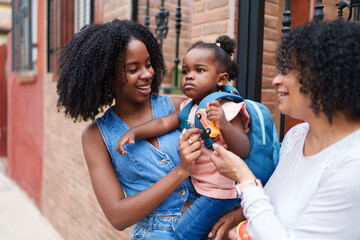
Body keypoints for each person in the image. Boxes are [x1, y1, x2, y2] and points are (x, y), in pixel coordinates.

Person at [56, 19, 207, 239]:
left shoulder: (179, 106)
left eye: (148, 64)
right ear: (107, 75)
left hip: (206, 227)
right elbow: (117, 216)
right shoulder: (97, 136)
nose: (147, 74)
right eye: (133, 69)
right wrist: (181, 171)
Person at [210, 20, 360, 239]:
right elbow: (277, 205)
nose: (275, 80)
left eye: (287, 71)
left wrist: (243, 177)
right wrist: (241, 216)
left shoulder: (353, 163)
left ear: (329, 75)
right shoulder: (296, 137)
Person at [116, 35, 252, 239]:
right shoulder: (188, 107)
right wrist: (134, 132)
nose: (189, 76)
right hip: (205, 189)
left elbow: (243, 149)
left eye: (199, 70)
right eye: (185, 71)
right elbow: (162, 123)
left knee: (183, 231)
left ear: (221, 79)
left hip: (221, 192)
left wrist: (223, 123)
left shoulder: (228, 108)